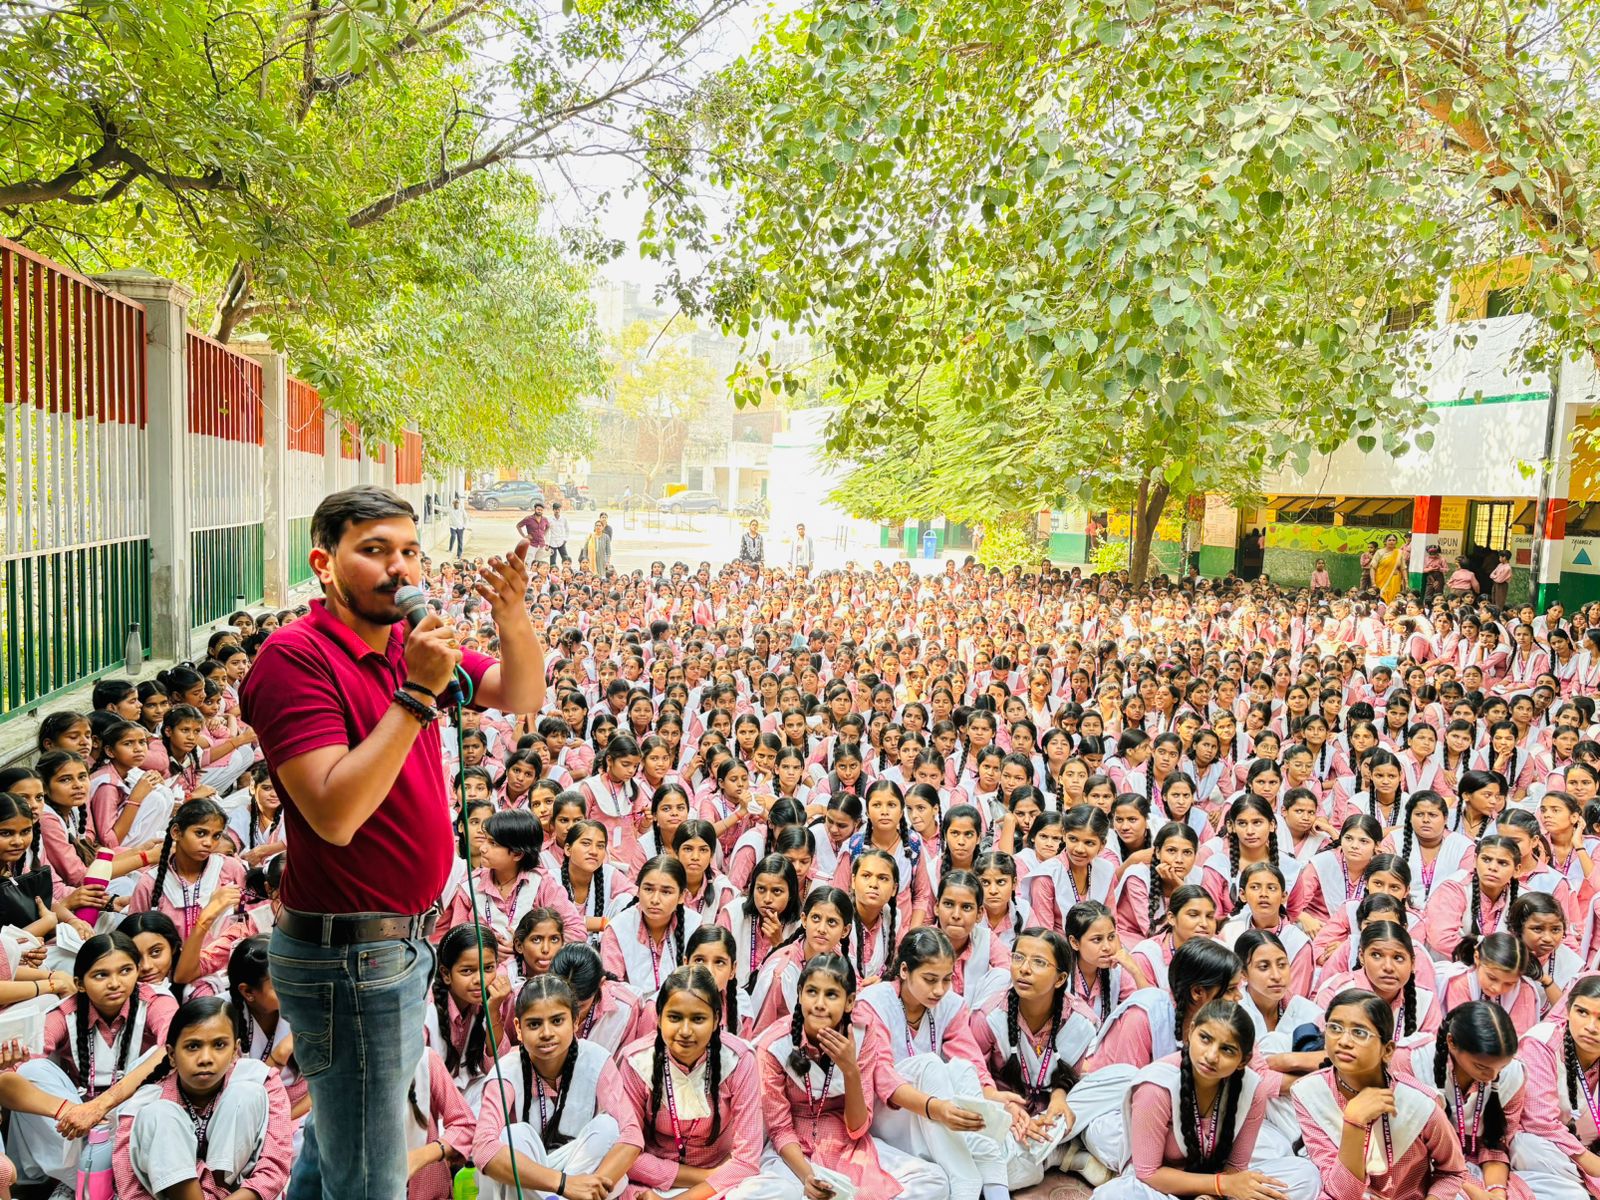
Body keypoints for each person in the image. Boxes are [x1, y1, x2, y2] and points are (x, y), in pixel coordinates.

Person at [240, 485, 544, 1200]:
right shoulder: (295, 659)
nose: (398, 568)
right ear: (324, 562)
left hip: (395, 945)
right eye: (373, 551)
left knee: (338, 1143)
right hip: (348, 956)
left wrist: (512, 617)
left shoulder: (411, 646)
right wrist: (415, 696)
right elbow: (334, 814)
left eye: (409, 551)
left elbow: (520, 692)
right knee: (372, 1174)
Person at [1371, 534, 1404, 603]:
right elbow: (1372, 568)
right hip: (1380, 579)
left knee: (1393, 597)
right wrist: (1373, 582)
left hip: (1394, 579)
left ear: (1396, 542)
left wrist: (1405, 582)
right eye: (1389, 540)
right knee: (1381, 596)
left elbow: (1403, 568)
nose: (1391, 542)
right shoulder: (1379, 552)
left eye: (1393, 540)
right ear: (1385, 541)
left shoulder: (1399, 553)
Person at [548, 500, 570, 566]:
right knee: (552, 560)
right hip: (552, 542)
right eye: (555, 509)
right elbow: (546, 531)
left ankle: (567, 571)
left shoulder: (564, 519)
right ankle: (553, 573)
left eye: (558, 509)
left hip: (561, 541)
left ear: (560, 510)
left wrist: (565, 539)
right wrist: (547, 543)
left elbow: (567, 529)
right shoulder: (549, 519)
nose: (557, 511)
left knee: (565, 558)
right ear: (553, 510)